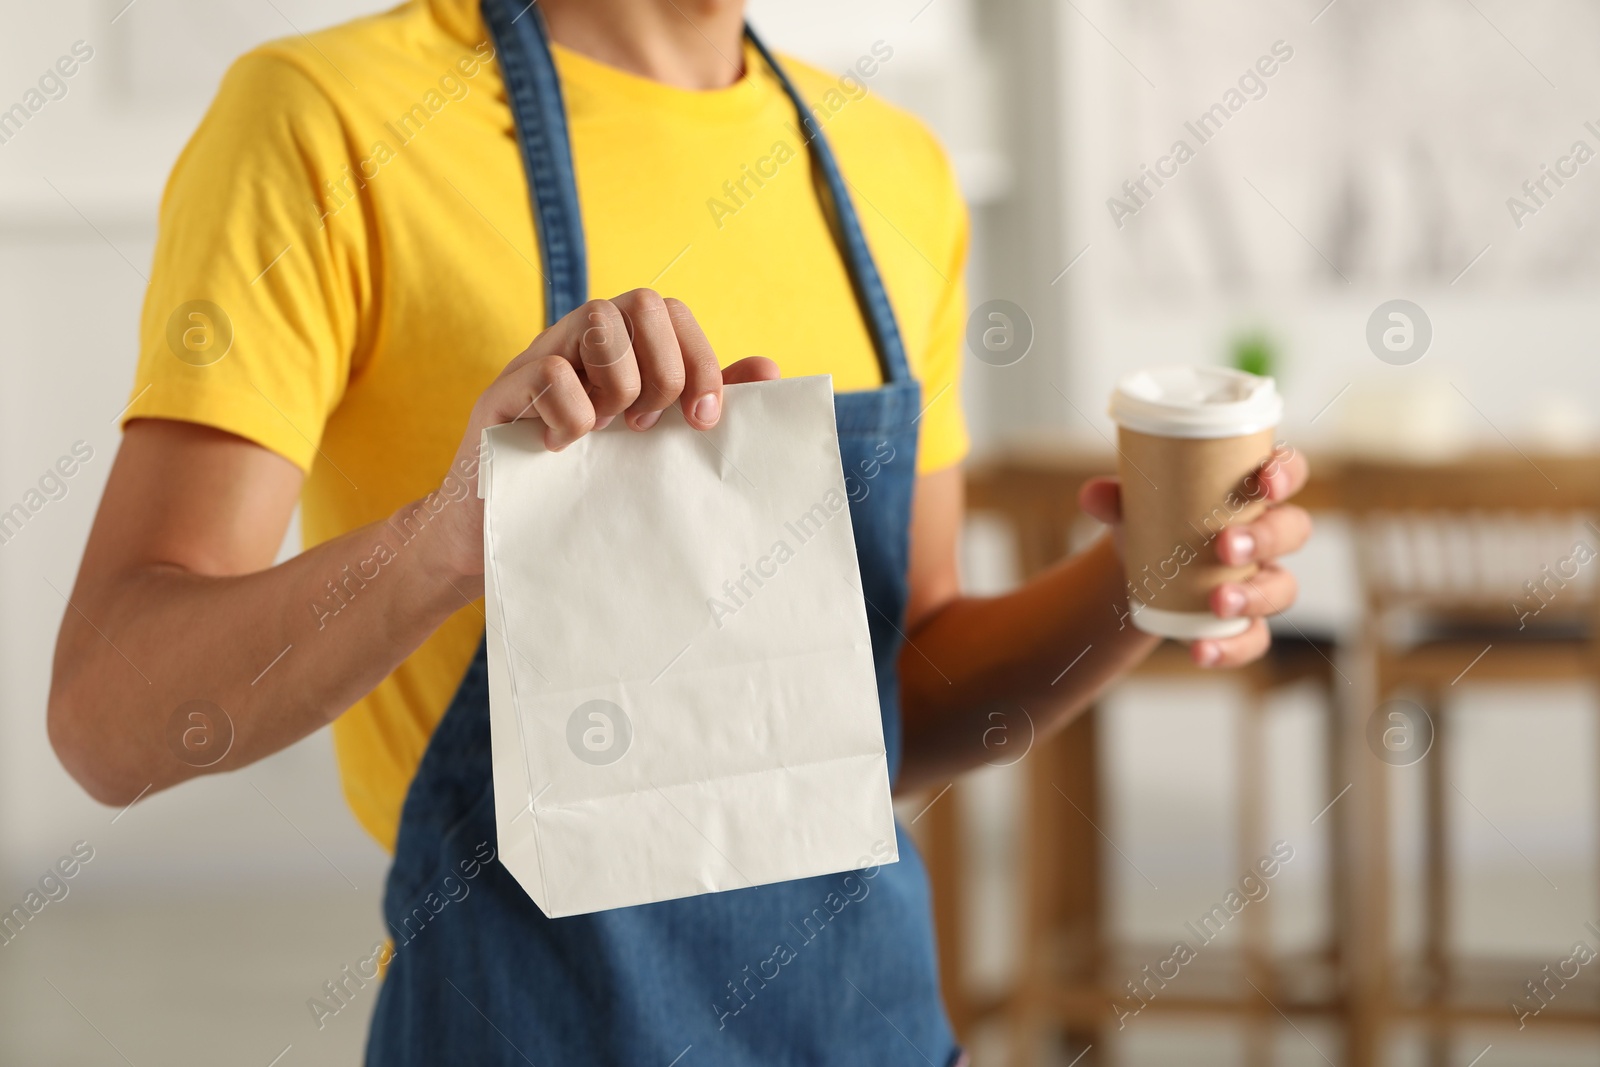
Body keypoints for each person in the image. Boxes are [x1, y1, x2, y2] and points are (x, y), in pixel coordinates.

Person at [47, 0, 1313, 1063]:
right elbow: (109, 715)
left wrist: (1132, 582)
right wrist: (448, 534)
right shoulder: (324, 122)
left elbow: (900, 698)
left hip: (864, 1030)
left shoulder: (891, 174)